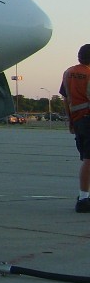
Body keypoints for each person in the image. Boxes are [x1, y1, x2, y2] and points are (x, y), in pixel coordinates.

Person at [59, 44, 90, 213]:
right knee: (89, 160)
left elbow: (65, 99)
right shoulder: (89, 74)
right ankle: (84, 199)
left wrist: (71, 120)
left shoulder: (68, 73)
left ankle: (85, 196)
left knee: (87, 158)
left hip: (78, 120)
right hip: (88, 119)